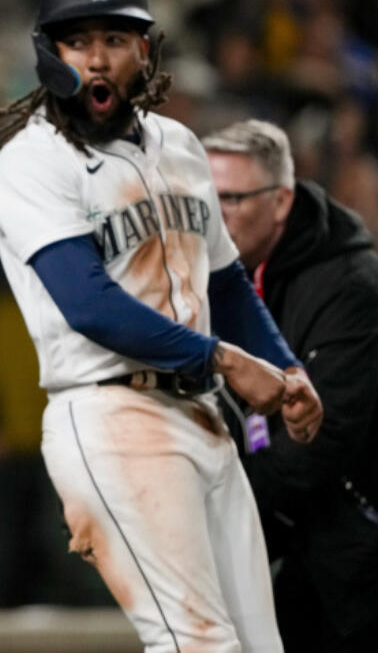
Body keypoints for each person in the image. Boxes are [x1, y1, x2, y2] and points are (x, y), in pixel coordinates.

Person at [0, 0, 323, 652]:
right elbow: (90, 305)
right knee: (198, 643)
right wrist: (225, 360)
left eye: (116, 38)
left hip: (202, 416)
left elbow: (223, 283)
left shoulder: (180, 147)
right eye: (80, 40)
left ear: (146, 49)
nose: (98, 59)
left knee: (258, 647)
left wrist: (286, 371)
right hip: (112, 416)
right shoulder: (31, 163)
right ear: (51, 52)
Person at [204, 119, 378, 653]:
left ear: (281, 201)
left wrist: (218, 512)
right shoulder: (223, 279)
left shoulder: (351, 287)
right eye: (207, 200)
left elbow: (322, 436)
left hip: (354, 563)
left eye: (232, 199)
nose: (216, 217)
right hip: (293, 547)